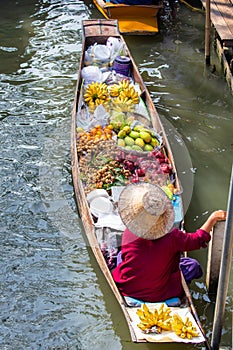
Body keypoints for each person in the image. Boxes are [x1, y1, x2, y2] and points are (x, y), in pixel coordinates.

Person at [112, 182, 227, 303]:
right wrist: (213, 218)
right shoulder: (173, 237)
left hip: (129, 288)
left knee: (121, 256)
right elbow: (198, 239)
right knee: (192, 266)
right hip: (162, 294)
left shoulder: (129, 232)